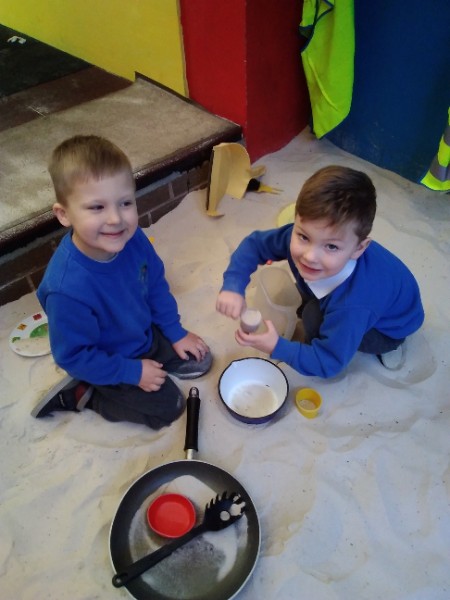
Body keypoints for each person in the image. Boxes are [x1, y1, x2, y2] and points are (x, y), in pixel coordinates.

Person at [33, 135, 212, 428]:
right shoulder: (66, 289)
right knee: (169, 408)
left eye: (125, 202)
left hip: (142, 335)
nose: (116, 219)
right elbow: (73, 356)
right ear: (64, 214)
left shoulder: (133, 238)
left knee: (200, 359)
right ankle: (83, 394)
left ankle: (149, 353)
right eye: (97, 207)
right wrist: (132, 372)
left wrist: (175, 331)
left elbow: (155, 285)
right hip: (106, 359)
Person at [216, 165, 424, 377]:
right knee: (301, 297)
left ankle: (388, 346)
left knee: (312, 317)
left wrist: (277, 347)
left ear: (358, 248)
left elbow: (328, 363)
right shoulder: (306, 238)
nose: (310, 256)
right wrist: (233, 286)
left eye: (331, 246)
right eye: (303, 237)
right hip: (359, 294)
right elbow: (255, 246)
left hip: (388, 329)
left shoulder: (353, 305)